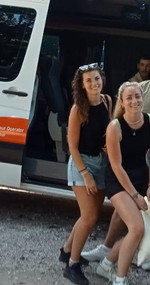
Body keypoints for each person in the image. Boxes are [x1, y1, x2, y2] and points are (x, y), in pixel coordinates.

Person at [83, 49, 150, 269]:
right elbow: (122, 114)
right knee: (127, 212)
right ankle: (108, 248)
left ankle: (145, 252)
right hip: (133, 158)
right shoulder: (140, 88)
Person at [94, 82, 150, 285]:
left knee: (140, 231)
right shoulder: (114, 127)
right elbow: (116, 165)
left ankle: (106, 264)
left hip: (140, 177)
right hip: (119, 179)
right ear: (122, 102)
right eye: (129, 98)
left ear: (143, 97)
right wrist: (135, 196)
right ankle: (120, 280)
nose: (134, 101)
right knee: (137, 228)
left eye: (137, 96)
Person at [60, 63, 112, 285]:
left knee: (89, 215)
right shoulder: (78, 109)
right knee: (89, 217)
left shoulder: (107, 101)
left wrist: (108, 146)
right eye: (89, 80)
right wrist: (86, 174)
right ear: (82, 85)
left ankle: (66, 251)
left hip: (102, 162)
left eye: (97, 79)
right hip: (83, 163)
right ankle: (72, 265)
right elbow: (71, 145)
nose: (94, 83)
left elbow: (107, 131)